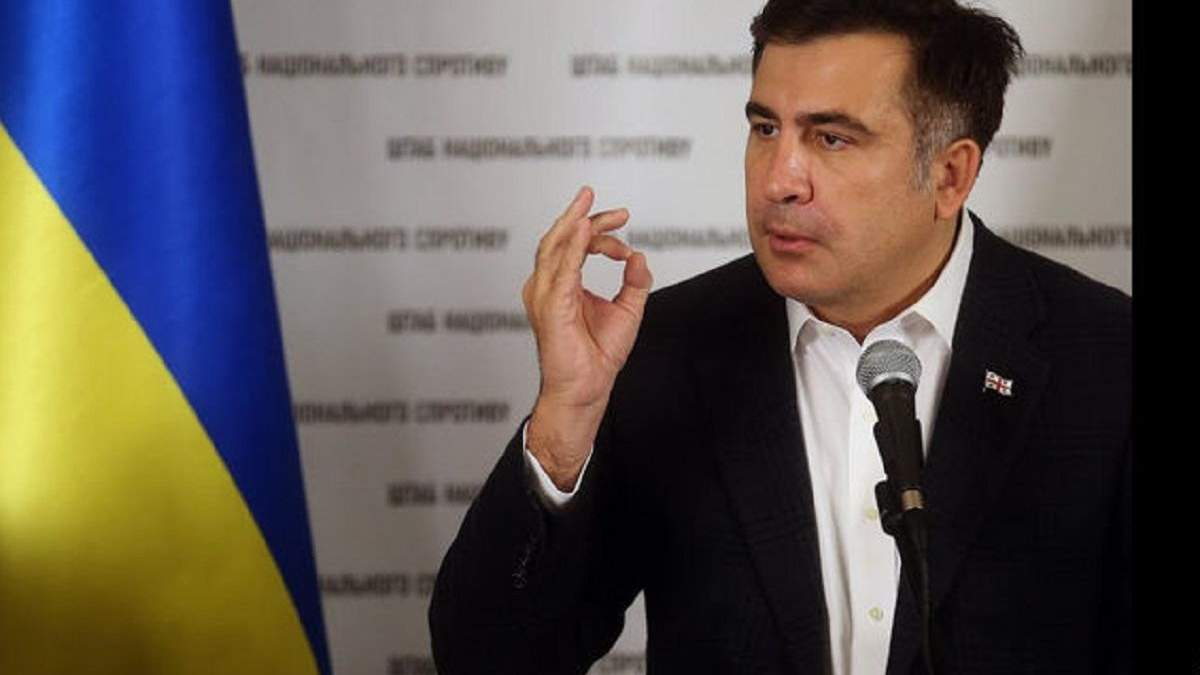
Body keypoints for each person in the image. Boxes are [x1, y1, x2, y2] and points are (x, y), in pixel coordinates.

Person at [429, 0, 1132, 673]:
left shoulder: (1107, 359)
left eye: (831, 138)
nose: (778, 180)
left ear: (950, 174)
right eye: (766, 129)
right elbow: (488, 659)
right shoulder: (663, 349)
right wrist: (565, 419)